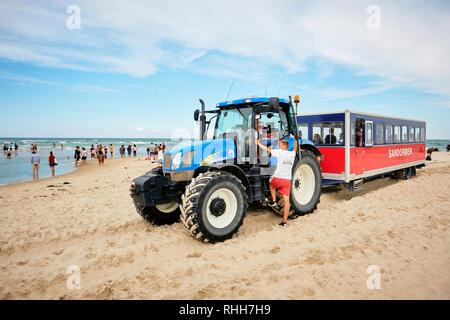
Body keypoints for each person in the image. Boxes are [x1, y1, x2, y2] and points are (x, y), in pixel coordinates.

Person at [256, 138, 297, 227]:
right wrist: (295, 140)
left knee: (271, 184)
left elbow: (268, 150)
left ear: (283, 146)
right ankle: (284, 222)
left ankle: (274, 201)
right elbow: (295, 148)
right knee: (286, 201)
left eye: (280, 145)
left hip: (278, 178)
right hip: (287, 181)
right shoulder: (292, 154)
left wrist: (258, 144)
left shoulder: (279, 152)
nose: (279, 146)